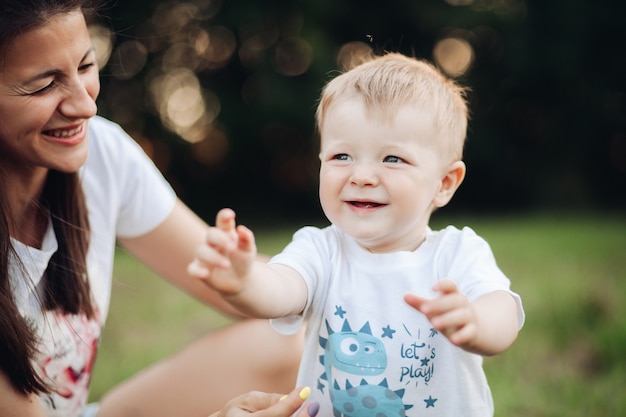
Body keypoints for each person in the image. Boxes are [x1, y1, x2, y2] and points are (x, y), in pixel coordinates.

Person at [0, 0, 311, 416]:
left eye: (86, 66)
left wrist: (383, 282)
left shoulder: (102, 153)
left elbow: (237, 283)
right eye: (43, 85)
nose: (85, 105)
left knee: (293, 338)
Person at [188, 52, 526, 416]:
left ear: (444, 183)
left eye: (392, 159)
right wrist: (245, 281)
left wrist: (475, 321)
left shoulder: (457, 253)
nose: (361, 175)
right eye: (342, 156)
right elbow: (281, 289)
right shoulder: (321, 250)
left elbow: (502, 312)